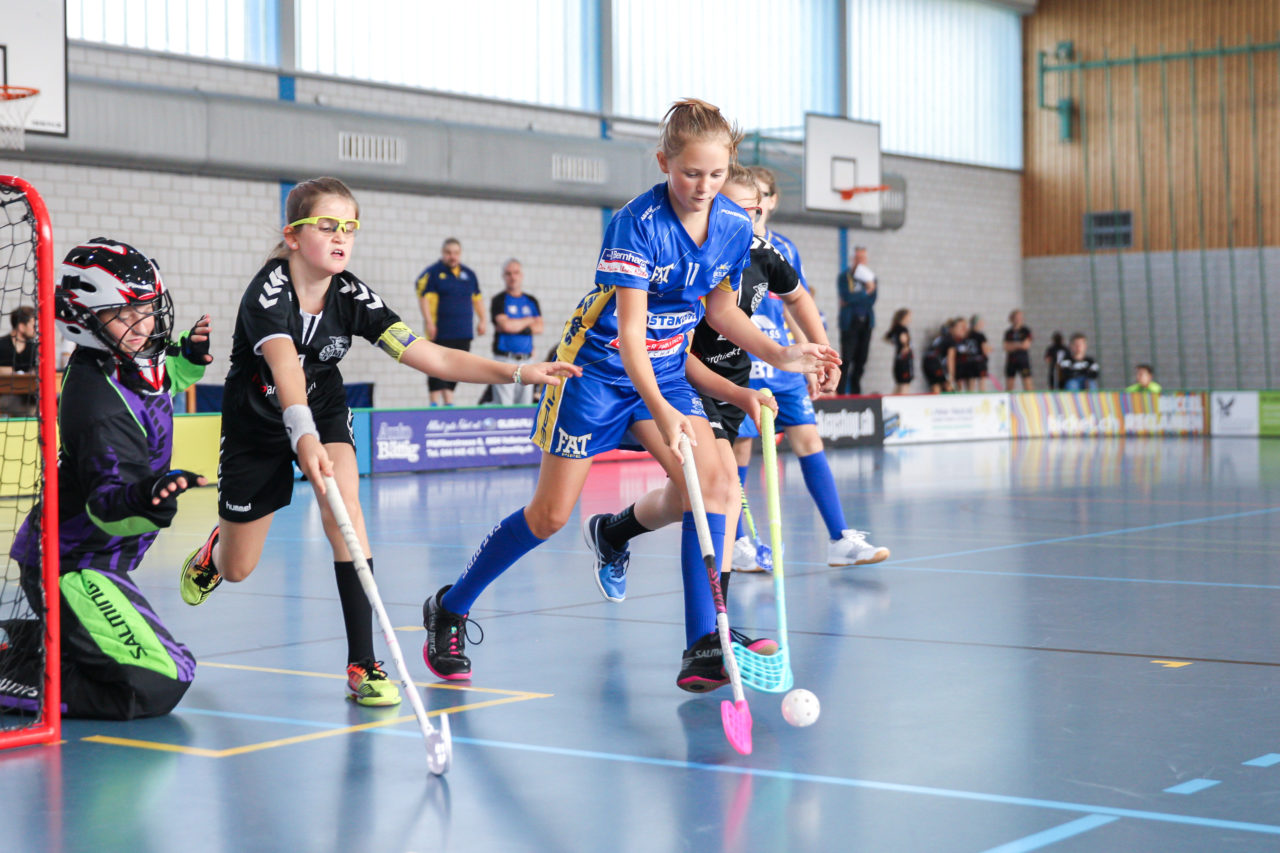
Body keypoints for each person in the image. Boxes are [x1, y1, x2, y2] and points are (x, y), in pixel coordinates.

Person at [419, 100, 838, 693]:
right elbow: (631, 338)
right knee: (549, 517)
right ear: (665, 161)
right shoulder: (636, 224)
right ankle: (451, 606)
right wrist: (664, 411)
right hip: (595, 373)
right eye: (691, 173)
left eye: (716, 175)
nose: (703, 187)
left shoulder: (733, 227)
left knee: (713, 486)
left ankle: (702, 644)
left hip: (664, 372)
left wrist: (781, 355)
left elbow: (720, 310)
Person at [177, 177, 576, 707]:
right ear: (293, 236)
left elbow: (429, 355)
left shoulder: (352, 296)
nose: (341, 236)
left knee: (345, 509)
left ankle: (362, 662)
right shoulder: (267, 294)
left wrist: (520, 372)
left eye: (350, 227)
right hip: (258, 423)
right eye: (326, 225)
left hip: (323, 407)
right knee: (238, 568)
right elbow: (284, 369)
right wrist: (302, 438)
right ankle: (215, 549)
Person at [581, 163, 834, 604]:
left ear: (759, 213)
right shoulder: (695, 252)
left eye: (747, 212)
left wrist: (822, 350)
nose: (735, 221)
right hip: (687, 377)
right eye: (726, 209)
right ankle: (711, 631)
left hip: (731, 376)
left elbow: (797, 296)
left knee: (694, 495)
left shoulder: (764, 256)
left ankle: (614, 531)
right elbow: (677, 332)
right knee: (719, 494)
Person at [3, 239, 211, 719]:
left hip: (96, 559)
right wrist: (149, 498)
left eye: (148, 310)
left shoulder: (128, 355)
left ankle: (34, 641)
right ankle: (21, 674)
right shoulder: (95, 404)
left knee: (142, 665)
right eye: (126, 314)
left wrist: (189, 362)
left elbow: (163, 379)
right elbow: (106, 504)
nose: (145, 326)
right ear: (85, 320)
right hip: (70, 563)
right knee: (160, 682)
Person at [733, 171, 889, 570]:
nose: (757, 203)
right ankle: (736, 542)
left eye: (763, 196)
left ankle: (839, 538)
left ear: (772, 200)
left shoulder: (783, 247)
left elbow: (793, 303)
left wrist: (813, 359)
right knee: (739, 449)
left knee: (809, 440)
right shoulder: (725, 241)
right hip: (744, 360)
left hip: (782, 365)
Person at [415, 237, 486, 406]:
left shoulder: (469, 274)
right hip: (440, 330)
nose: (452, 256)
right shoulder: (433, 273)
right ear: (443, 253)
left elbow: (477, 299)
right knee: (436, 364)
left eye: (455, 253)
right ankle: (434, 403)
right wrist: (429, 323)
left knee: (458, 365)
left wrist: (483, 320)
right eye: (448, 253)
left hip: (463, 331)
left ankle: (448, 401)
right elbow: (423, 297)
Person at [488, 258, 543, 405]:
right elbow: (507, 326)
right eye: (508, 274)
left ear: (522, 275)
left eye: (516, 273)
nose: (513, 277)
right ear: (504, 276)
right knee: (504, 407)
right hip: (505, 359)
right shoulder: (499, 300)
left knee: (525, 407)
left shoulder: (531, 300)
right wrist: (529, 319)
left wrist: (515, 324)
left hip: (526, 360)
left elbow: (540, 327)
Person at [836, 247, 877, 394]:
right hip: (850, 323)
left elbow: (871, 301)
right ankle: (840, 392)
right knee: (846, 359)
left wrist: (855, 298)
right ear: (853, 259)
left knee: (861, 359)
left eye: (863, 259)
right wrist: (866, 291)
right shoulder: (844, 277)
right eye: (858, 259)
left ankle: (856, 391)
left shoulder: (871, 278)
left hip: (865, 322)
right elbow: (846, 297)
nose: (860, 262)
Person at [0, 305, 37, 416]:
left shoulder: (33, 348)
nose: (35, 329)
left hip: (28, 397)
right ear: (21, 326)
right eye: (33, 325)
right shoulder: (2, 345)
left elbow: (36, 371)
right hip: (6, 397)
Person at [1003, 309, 1034, 391]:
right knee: (1009, 384)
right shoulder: (1008, 332)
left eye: (1020, 317)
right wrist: (1019, 344)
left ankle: (1030, 400)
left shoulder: (1026, 331)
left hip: (1023, 360)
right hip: (1011, 360)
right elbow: (1006, 347)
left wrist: (1013, 345)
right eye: (1017, 317)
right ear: (1012, 318)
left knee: (1027, 383)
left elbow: (1026, 345)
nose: (1019, 319)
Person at [884, 308, 912, 394]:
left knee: (899, 384)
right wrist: (905, 347)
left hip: (898, 360)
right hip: (904, 360)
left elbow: (886, 338)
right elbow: (904, 341)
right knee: (904, 384)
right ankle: (903, 404)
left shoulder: (895, 328)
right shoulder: (903, 329)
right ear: (904, 317)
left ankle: (892, 403)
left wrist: (895, 343)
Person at [922, 320, 954, 393]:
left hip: (926, 362)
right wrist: (951, 375)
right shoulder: (950, 340)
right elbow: (950, 358)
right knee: (947, 385)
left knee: (935, 384)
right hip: (935, 363)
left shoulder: (938, 338)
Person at [966, 314, 991, 391]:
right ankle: (982, 400)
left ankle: (970, 399)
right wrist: (989, 349)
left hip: (969, 361)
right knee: (982, 383)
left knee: (971, 384)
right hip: (980, 362)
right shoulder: (980, 336)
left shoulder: (968, 335)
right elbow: (984, 350)